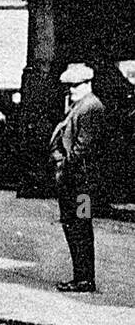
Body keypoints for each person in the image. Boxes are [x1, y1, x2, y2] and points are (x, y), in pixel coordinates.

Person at [50, 63, 105, 293]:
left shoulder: (90, 107)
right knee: (76, 227)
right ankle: (81, 276)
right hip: (76, 182)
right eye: (69, 86)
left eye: (75, 85)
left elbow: (82, 147)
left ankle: (84, 278)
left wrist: (63, 165)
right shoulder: (79, 106)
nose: (70, 90)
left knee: (80, 227)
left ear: (87, 84)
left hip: (82, 184)